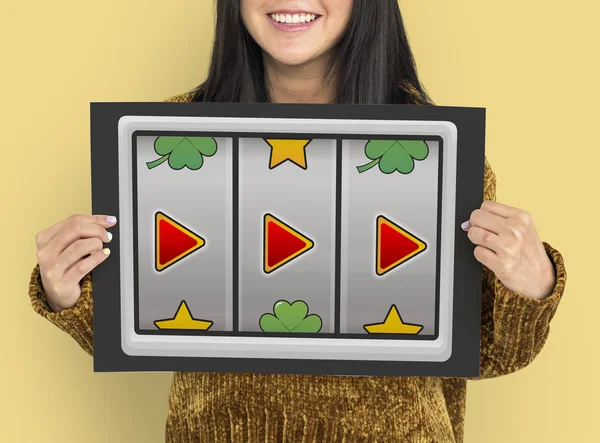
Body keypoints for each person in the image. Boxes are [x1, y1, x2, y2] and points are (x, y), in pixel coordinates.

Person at [29, 1, 567, 442]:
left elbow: (488, 352)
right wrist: (66, 291)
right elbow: (141, 333)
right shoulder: (164, 137)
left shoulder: (438, 151)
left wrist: (533, 282)